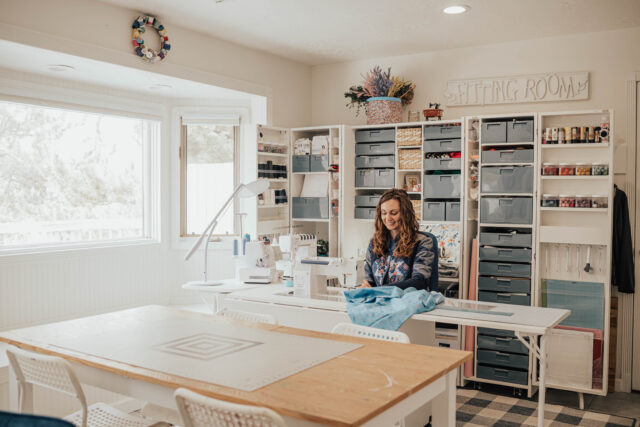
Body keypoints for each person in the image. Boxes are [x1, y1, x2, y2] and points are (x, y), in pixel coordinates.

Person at [359, 188, 438, 291]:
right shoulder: (374, 243)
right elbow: (370, 281)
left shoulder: (422, 242)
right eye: (384, 213)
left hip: (408, 303)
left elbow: (419, 282)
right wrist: (365, 286)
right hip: (381, 302)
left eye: (394, 213)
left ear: (405, 214)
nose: (388, 218)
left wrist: (381, 289)